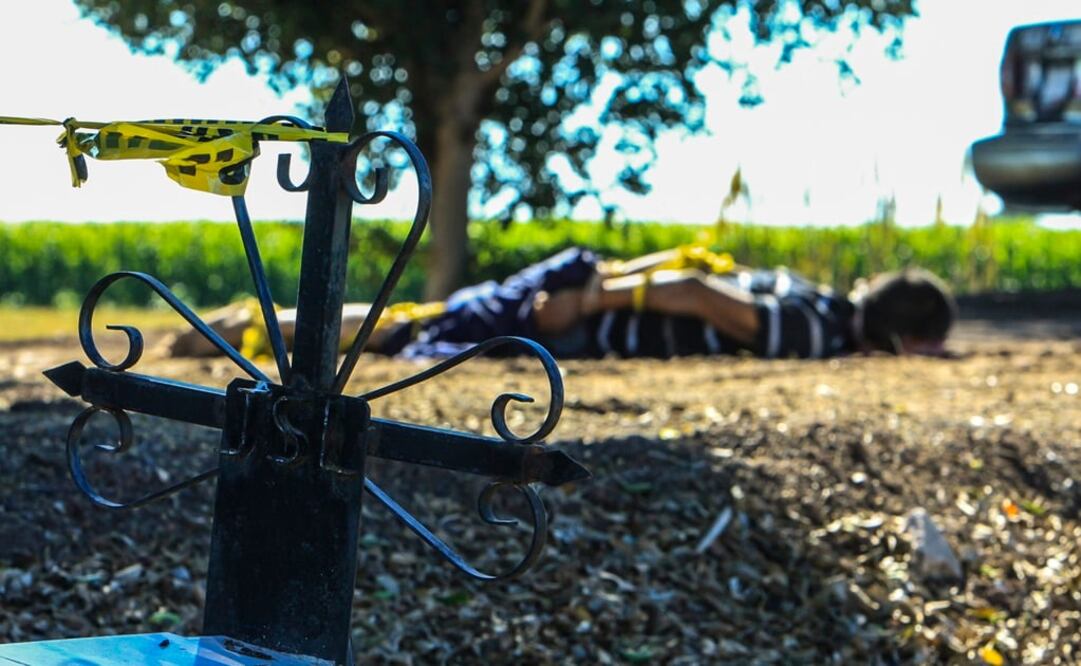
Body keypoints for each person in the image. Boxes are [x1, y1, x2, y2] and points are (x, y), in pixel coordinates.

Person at [163, 245, 957, 361]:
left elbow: (690, 265)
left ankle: (245, 324)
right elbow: (696, 293)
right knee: (418, 328)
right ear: (908, 335)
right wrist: (583, 304)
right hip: (581, 315)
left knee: (428, 318)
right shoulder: (812, 330)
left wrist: (596, 278)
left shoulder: (813, 292)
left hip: (587, 288)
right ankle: (237, 331)